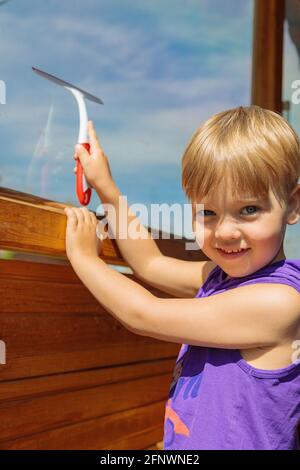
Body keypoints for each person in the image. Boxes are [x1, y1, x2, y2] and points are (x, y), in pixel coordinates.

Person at [64, 105, 300, 450]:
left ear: (293, 205)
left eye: (248, 209)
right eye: (208, 212)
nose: (225, 232)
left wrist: (85, 258)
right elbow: (151, 265)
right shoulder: (220, 278)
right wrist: (106, 187)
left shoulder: (279, 302)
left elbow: (142, 314)